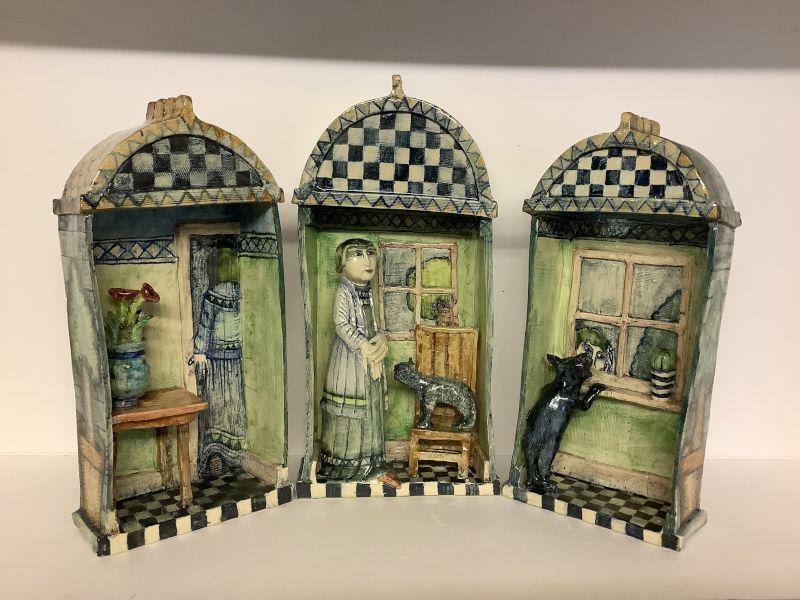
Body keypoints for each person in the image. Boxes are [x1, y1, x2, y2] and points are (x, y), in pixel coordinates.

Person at [318, 238, 390, 481]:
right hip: (350, 360)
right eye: (358, 254)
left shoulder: (368, 291)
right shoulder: (344, 290)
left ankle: (370, 462)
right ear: (342, 262)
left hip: (371, 360)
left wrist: (380, 338)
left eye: (371, 253)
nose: (368, 261)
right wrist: (363, 345)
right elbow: (340, 324)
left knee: (372, 406)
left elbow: (375, 324)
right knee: (352, 408)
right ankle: (347, 466)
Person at [192, 245, 246, 477]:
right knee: (234, 404)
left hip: (215, 360)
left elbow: (204, 326)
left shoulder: (212, 294)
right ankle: (234, 454)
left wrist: (199, 352)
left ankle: (216, 454)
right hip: (236, 360)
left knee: (217, 407)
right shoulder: (242, 292)